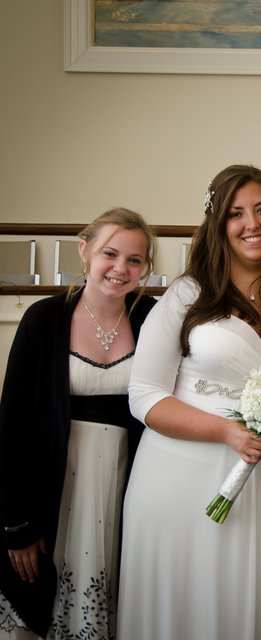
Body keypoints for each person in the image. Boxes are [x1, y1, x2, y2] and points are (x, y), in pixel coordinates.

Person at [117, 165, 261, 640]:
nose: (252, 223)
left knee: (251, 604)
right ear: (218, 224)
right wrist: (226, 431)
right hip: (181, 476)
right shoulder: (187, 294)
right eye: (236, 213)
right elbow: (144, 396)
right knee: (188, 605)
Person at [0, 209, 158, 639]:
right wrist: (16, 527)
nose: (120, 268)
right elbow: (10, 426)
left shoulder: (153, 319)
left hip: (124, 487)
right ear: (85, 251)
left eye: (134, 260)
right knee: (39, 612)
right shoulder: (44, 319)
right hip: (50, 490)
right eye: (111, 253)